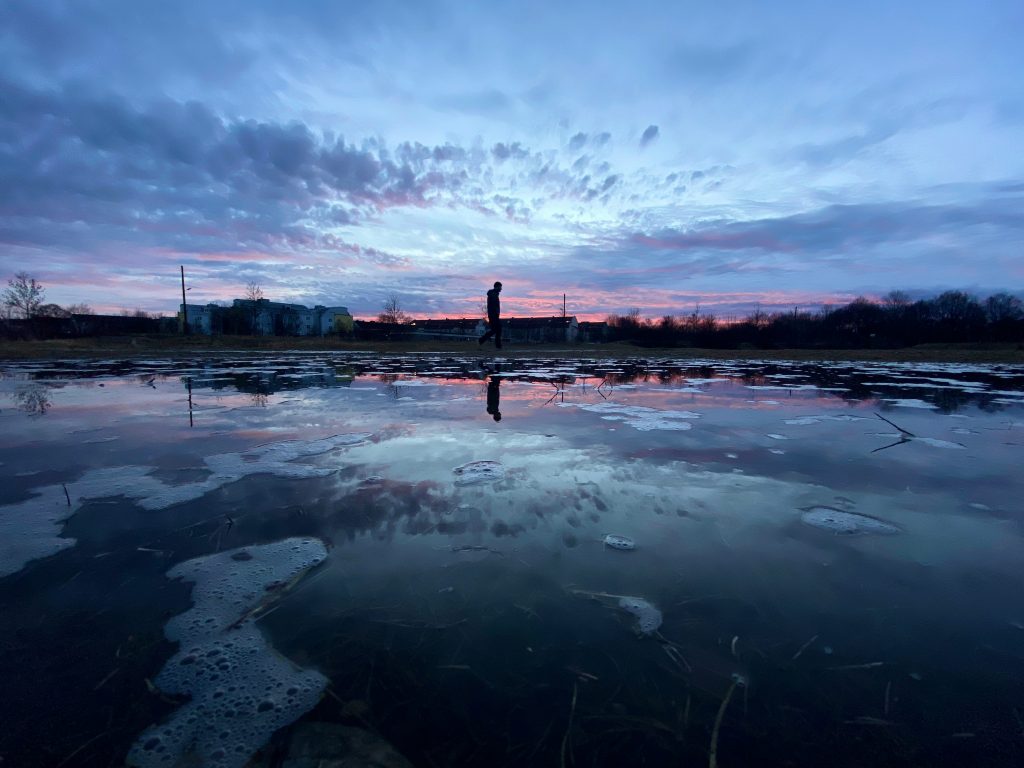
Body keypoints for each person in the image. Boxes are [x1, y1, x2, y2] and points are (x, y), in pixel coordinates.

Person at [478, 281, 503, 349]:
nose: (501, 289)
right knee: (497, 329)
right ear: (497, 287)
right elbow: (493, 305)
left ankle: (482, 340)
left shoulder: (494, 294)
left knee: (495, 330)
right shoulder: (493, 294)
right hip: (493, 315)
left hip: (493, 315)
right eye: (500, 287)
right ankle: (497, 346)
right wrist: (495, 313)